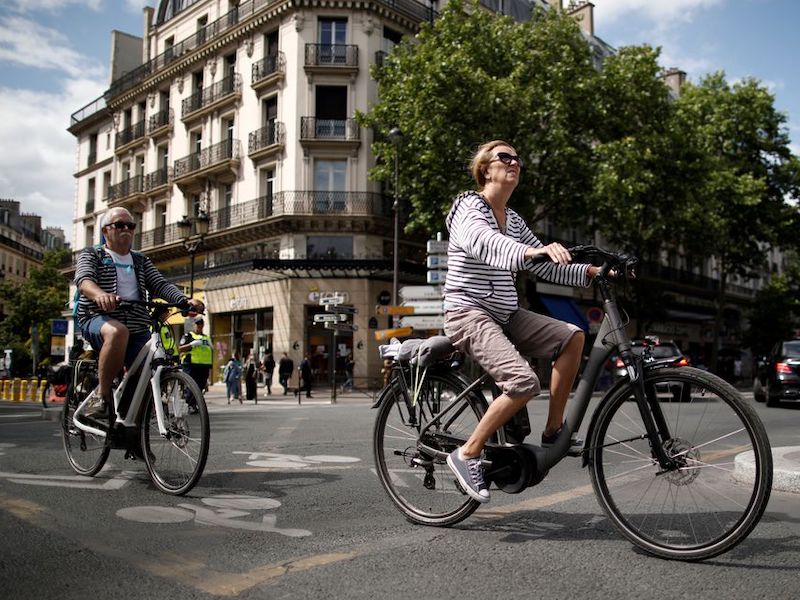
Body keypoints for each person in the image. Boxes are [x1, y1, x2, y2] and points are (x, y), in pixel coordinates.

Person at [442, 140, 602, 504]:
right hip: (468, 312)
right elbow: (485, 244)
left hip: (506, 312)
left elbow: (542, 263)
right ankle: (467, 453)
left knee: (573, 336)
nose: (515, 162)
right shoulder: (470, 207)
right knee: (523, 381)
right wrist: (532, 250)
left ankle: (553, 430)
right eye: (505, 157)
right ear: (486, 169)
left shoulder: (513, 219)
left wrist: (592, 272)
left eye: (518, 158)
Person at [74, 207, 202, 416]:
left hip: (136, 324)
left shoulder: (140, 260)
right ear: (106, 231)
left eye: (130, 225)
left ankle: (129, 427)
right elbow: (84, 280)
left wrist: (184, 300)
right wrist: (99, 295)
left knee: (147, 369)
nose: (126, 229)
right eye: (120, 225)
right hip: (98, 318)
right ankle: (101, 395)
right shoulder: (93, 254)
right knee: (118, 332)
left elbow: (159, 284)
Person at [179, 317, 213, 411]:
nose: (199, 327)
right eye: (197, 325)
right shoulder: (188, 336)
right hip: (191, 365)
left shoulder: (206, 337)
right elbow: (180, 348)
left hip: (203, 365)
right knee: (192, 386)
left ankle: (194, 404)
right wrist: (191, 344)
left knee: (200, 386)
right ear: (194, 325)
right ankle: (191, 405)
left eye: (201, 325)